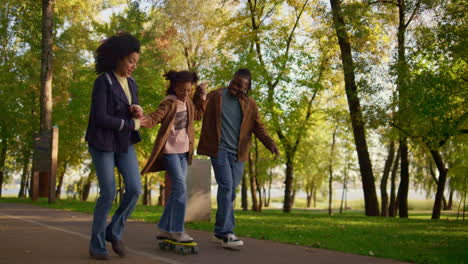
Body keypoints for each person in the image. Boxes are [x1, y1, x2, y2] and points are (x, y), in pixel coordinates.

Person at [197, 68, 279, 247]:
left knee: (230, 191)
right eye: (233, 82)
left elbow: (259, 127)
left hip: (239, 154)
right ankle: (227, 233)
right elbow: (199, 109)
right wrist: (200, 93)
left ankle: (219, 232)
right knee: (226, 186)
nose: (234, 87)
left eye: (239, 85)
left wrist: (269, 143)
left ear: (247, 88)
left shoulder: (250, 105)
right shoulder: (217, 96)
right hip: (219, 149)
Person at [85, 32, 143, 260]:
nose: (133, 66)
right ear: (118, 58)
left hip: (124, 143)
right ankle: (96, 245)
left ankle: (114, 230)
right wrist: (130, 123)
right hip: (102, 142)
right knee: (108, 193)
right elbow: (100, 117)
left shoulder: (132, 83)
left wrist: (136, 108)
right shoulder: (103, 81)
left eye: (136, 62)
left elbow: (131, 106)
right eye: (130, 61)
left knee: (135, 189)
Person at [140, 70, 206, 243]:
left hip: (184, 152)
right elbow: (156, 116)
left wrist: (202, 95)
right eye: (183, 90)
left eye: (189, 90)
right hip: (169, 152)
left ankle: (163, 228)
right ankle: (177, 230)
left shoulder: (189, 103)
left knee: (178, 190)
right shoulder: (169, 104)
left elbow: (198, 115)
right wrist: (142, 120)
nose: (186, 93)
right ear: (175, 88)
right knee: (180, 189)